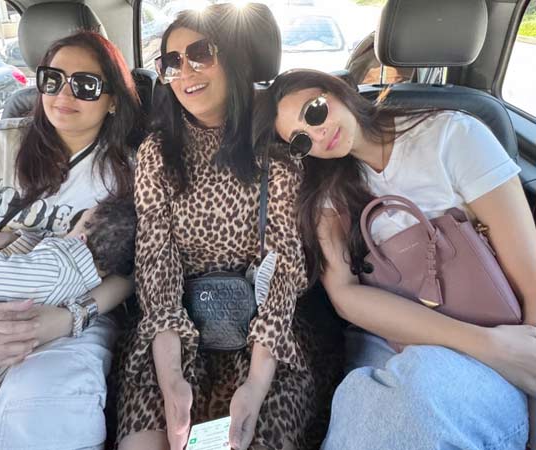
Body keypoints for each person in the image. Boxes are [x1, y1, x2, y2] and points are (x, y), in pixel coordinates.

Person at [254, 68, 535, 449]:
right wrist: (483, 343)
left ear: (340, 89)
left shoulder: (452, 136)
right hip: (402, 345)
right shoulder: (328, 192)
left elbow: (531, 278)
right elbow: (345, 295)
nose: (317, 135)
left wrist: (519, 366)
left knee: (416, 388)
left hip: (495, 355)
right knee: (364, 394)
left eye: (315, 111)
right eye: (301, 141)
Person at [114, 6, 340, 450]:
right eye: (171, 62)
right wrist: (172, 381)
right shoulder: (157, 152)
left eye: (200, 53)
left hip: (266, 337)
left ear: (234, 57)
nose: (185, 71)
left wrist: (255, 386)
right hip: (175, 329)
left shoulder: (277, 148)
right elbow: (156, 263)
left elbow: (284, 268)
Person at [0, 31, 142, 450]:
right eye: (52, 79)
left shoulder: (132, 172)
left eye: (86, 84)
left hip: (81, 311)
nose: (63, 94)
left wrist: (69, 318)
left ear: (113, 99)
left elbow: (133, 274)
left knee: (43, 418)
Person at [0, 196, 136, 421]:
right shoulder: (85, 279)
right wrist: (12, 239)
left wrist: (3, 253)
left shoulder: (57, 265)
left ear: (81, 238)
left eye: (77, 222)